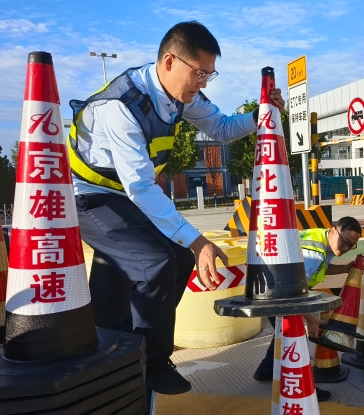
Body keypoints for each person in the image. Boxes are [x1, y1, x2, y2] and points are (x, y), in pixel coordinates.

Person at [68, 21, 285, 395]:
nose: (202, 83)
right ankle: (148, 361)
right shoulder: (121, 106)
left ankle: (120, 347)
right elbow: (140, 186)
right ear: (169, 61)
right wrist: (198, 240)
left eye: (209, 75)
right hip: (89, 196)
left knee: (179, 259)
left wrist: (260, 114)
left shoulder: (181, 98)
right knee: (157, 263)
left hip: (122, 197)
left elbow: (222, 127)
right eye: (198, 73)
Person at [252, 216, 362, 402]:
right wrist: (311, 320)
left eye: (351, 246)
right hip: (273, 291)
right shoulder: (315, 252)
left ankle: (265, 370)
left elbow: (320, 269)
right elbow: (293, 291)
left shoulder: (321, 238)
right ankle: (303, 388)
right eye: (344, 242)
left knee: (282, 333)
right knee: (293, 338)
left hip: (267, 285)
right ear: (334, 229)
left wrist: (345, 268)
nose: (345, 249)